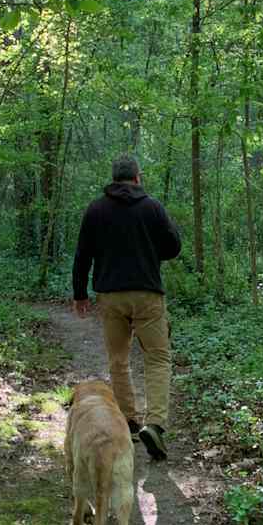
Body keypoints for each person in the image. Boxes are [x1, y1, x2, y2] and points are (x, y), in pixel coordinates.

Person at [72, 153, 181, 461]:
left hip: (111, 295)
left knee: (119, 360)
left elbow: (83, 255)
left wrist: (80, 293)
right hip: (147, 293)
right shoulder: (152, 207)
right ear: (137, 177)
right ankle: (155, 425)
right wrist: (149, 249)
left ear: (113, 178)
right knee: (157, 358)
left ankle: (130, 421)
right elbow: (173, 246)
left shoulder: (96, 209)